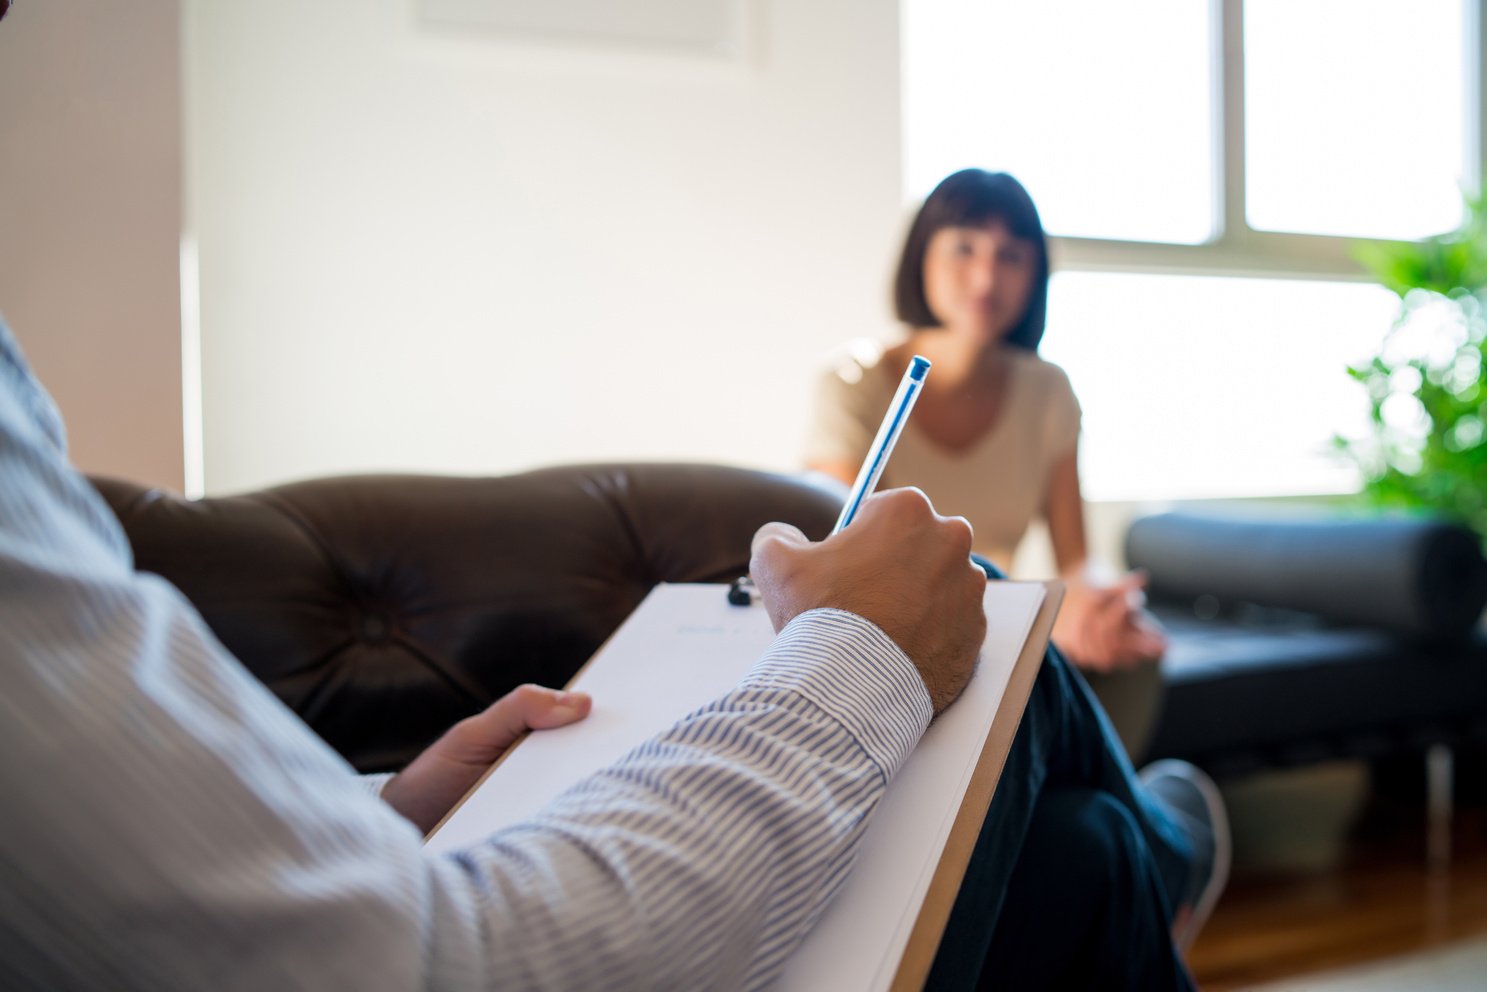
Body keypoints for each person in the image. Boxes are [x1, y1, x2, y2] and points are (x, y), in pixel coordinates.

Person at [806, 168, 1168, 759]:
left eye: (1012, 256)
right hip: (898, 634)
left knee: (1127, 644)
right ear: (922, 255)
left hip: (1001, 627)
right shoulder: (854, 383)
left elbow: (1075, 558)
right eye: (965, 248)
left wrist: (1097, 600)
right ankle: (1159, 837)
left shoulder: (1048, 391)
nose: (986, 276)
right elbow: (852, 562)